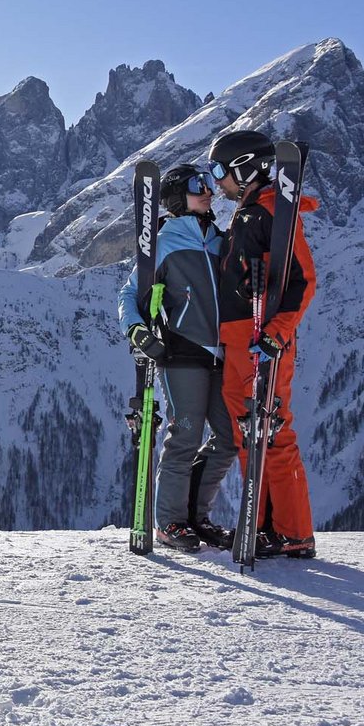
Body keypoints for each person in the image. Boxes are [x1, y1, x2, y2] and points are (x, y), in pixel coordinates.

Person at [208, 129, 319, 559]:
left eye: (221, 171)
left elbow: (303, 281)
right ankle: (264, 524)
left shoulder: (274, 214)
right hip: (238, 343)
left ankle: (294, 532)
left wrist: (275, 335)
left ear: (244, 168)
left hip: (263, 342)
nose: (217, 181)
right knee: (247, 435)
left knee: (272, 433)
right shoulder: (249, 213)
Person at [117, 164, 238, 552]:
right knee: (185, 435)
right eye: (196, 186)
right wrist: (137, 331)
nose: (208, 191)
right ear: (173, 198)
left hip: (224, 352)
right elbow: (129, 296)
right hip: (183, 350)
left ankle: (195, 516)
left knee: (230, 437)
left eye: (207, 184)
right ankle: (170, 522)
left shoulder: (221, 240)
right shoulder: (162, 245)